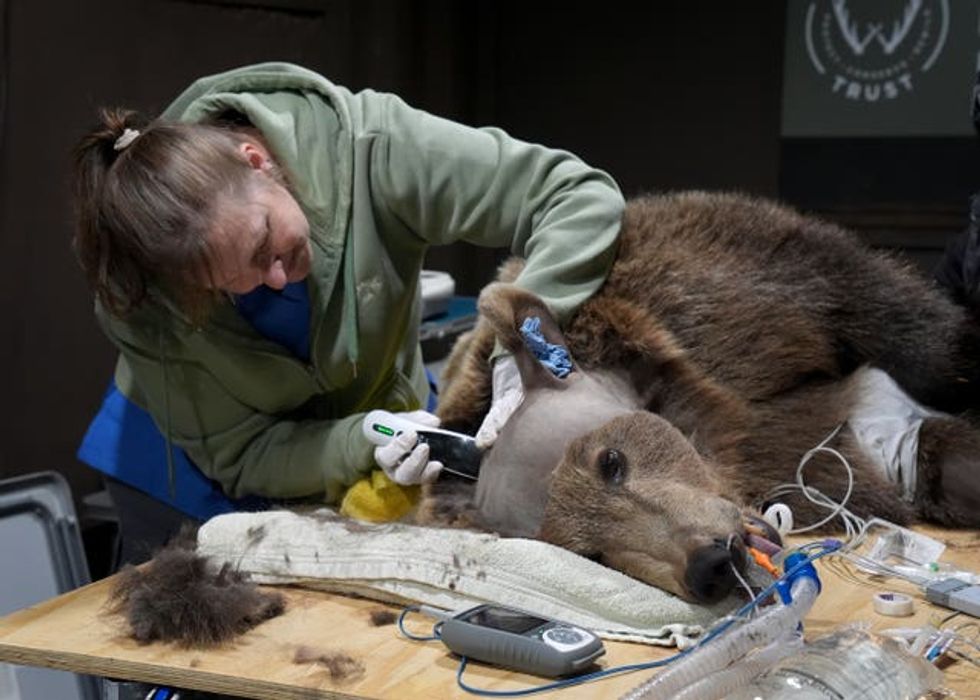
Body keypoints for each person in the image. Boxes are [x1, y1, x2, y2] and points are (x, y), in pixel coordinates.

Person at [72, 62, 625, 557]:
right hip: (184, 476)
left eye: (268, 244)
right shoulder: (144, 299)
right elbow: (243, 453)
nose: (277, 279)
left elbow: (574, 196)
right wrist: (356, 440)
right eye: (231, 284)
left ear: (258, 160)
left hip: (385, 432)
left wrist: (523, 345)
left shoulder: (373, 147)